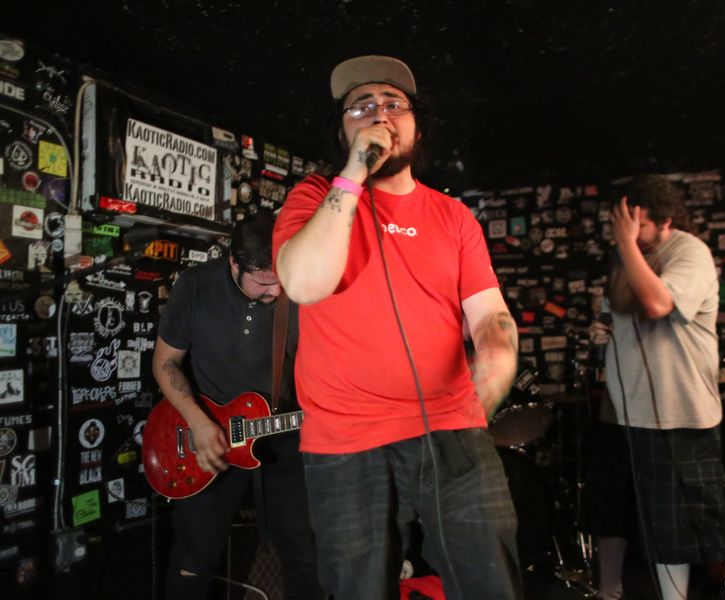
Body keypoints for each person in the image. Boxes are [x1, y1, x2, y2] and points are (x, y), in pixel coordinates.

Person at [272, 55, 522, 600]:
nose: (379, 114)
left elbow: (490, 317)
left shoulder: (453, 217)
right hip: (346, 442)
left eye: (393, 104)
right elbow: (304, 283)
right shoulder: (313, 199)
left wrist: (492, 376)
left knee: (491, 582)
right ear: (343, 131)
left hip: (453, 428)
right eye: (360, 107)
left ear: (417, 126)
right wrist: (354, 174)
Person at [152, 215, 323, 600]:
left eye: (280, 278)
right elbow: (165, 363)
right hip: (209, 440)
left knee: (304, 555)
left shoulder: (298, 288)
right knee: (193, 560)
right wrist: (197, 422)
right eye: (264, 282)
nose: (276, 290)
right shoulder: (196, 285)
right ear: (234, 263)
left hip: (282, 438)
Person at [591, 175, 725, 600]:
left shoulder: (690, 252)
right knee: (612, 511)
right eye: (623, 223)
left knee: (675, 528)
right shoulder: (627, 255)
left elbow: (657, 304)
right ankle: (608, 591)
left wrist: (626, 245)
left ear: (666, 221)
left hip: (678, 413)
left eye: (638, 224)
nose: (628, 232)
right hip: (624, 410)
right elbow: (616, 307)